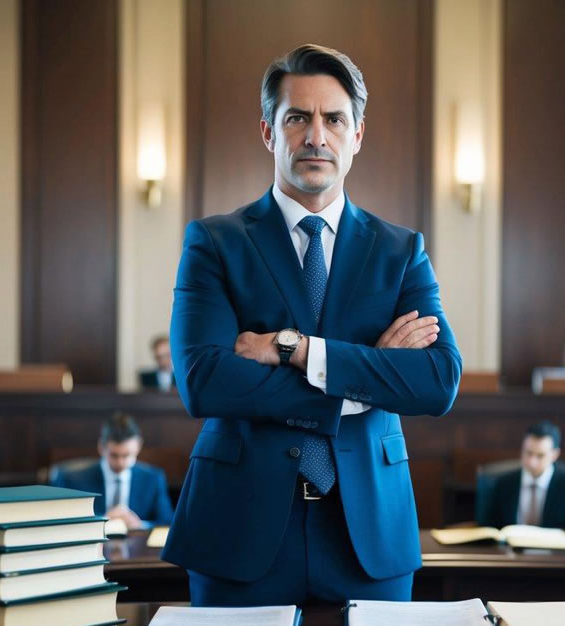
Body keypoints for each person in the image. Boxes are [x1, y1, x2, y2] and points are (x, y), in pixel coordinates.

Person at [163, 44, 462, 606]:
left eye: (334, 119)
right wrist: (362, 380)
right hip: (238, 527)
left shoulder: (400, 251)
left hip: (370, 532)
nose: (315, 136)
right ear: (268, 132)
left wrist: (296, 349)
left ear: (358, 135)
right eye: (297, 117)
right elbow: (204, 380)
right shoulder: (214, 242)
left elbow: (438, 380)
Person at [50, 413, 174, 529]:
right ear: (101, 448)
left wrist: (140, 525)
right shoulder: (73, 480)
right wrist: (103, 520)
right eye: (114, 455)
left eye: (127, 455)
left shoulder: (153, 478)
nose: (120, 462)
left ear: (138, 446)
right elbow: (63, 524)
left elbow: (167, 523)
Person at [479, 421, 565, 530]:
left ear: (555, 454)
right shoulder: (502, 483)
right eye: (528, 453)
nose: (532, 462)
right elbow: (488, 527)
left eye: (540, 455)